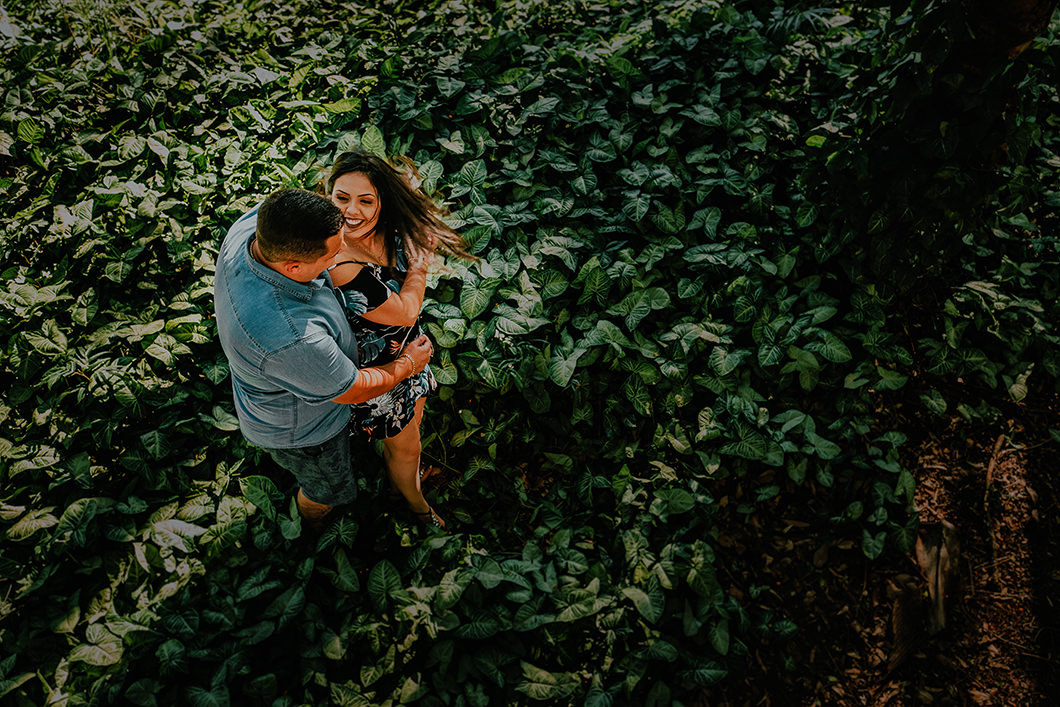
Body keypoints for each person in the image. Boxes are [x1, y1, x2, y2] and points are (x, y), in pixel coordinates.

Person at [213, 187, 433, 532]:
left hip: (280, 377)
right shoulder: (293, 336)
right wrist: (408, 365)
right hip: (303, 431)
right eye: (331, 256)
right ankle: (310, 528)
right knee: (329, 489)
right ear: (294, 266)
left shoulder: (253, 226)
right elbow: (354, 388)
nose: (341, 256)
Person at [322, 150, 475, 530]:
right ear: (329, 194)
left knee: (410, 433)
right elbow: (405, 311)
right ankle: (414, 504)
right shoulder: (339, 260)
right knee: (407, 446)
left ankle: (398, 486)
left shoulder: (388, 226)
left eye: (365, 200)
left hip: (406, 350)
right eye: (341, 197)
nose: (350, 211)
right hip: (378, 369)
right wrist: (420, 265)